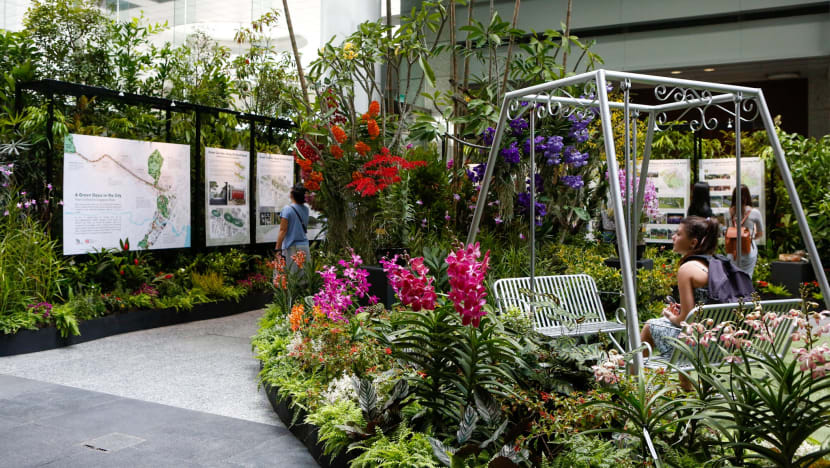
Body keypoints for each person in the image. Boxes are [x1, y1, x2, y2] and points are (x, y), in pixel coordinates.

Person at [641, 216, 720, 359]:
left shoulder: (688, 268)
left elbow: (685, 321)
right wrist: (683, 309)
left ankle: (636, 373)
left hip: (700, 346)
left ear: (693, 243)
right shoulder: (716, 264)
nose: (673, 237)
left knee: (649, 325)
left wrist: (670, 316)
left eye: (678, 234)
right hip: (723, 343)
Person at [725, 184, 763, 278]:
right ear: (748, 196)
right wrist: (751, 237)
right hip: (748, 250)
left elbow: (727, 231)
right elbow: (760, 233)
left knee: (733, 278)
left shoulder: (728, 213)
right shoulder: (755, 213)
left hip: (732, 252)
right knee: (747, 278)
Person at [276, 185, 310, 273]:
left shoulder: (287, 209)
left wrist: (278, 249)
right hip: (304, 247)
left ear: (292, 195)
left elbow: (283, 230)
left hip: (292, 248)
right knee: (303, 276)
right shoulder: (306, 209)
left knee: (292, 276)